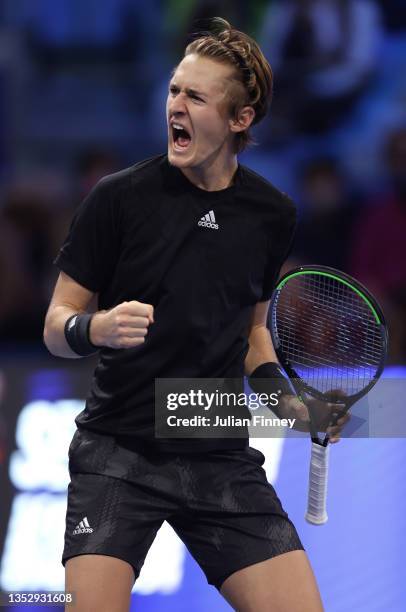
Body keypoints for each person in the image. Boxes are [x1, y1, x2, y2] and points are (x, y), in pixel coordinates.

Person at [44, 18, 348, 612]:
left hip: (217, 451)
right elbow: (57, 324)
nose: (175, 107)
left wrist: (293, 407)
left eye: (196, 97)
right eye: (174, 91)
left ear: (241, 120)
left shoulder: (270, 214)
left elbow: (254, 337)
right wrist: (96, 327)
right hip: (119, 453)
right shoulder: (118, 198)